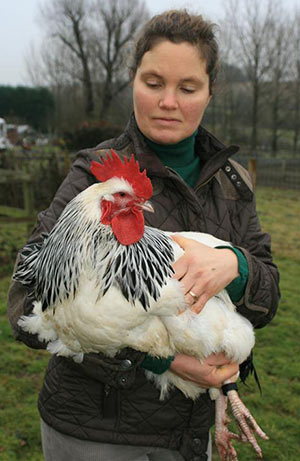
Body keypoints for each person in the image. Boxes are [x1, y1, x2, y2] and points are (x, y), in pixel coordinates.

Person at [7, 10, 280, 461]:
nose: (168, 102)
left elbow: (267, 299)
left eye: (187, 88)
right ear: (133, 80)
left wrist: (237, 266)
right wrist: (164, 360)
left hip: (190, 438)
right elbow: (24, 308)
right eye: (153, 83)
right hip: (95, 433)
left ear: (211, 91)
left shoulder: (233, 184)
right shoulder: (94, 177)